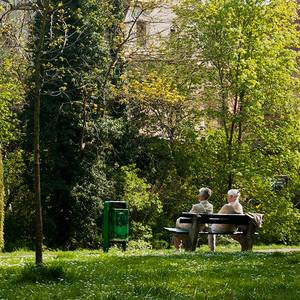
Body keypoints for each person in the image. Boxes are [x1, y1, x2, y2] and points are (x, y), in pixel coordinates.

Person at [173, 187, 214, 251]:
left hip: (193, 227)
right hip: (202, 227)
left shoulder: (196, 206)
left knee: (178, 223)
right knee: (178, 229)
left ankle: (178, 248)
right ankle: (181, 243)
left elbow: (188, 217)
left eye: (199, 194)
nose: (198, 195)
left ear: (202, 196)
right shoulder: (210, 206)